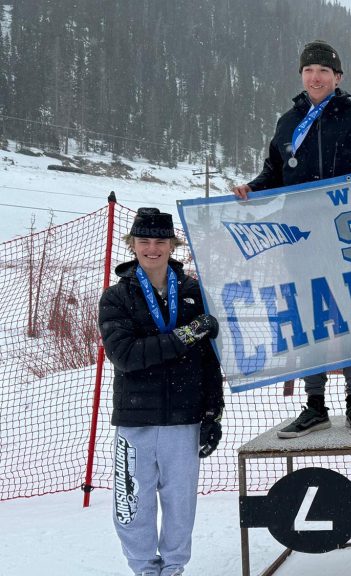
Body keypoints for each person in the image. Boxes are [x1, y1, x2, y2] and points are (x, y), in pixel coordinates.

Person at [232, 40, 351, 438]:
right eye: (309, 70)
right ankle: (314, 406)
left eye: (324, 71)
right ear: (301, 76)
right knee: (308, 319)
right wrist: (251, 190)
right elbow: (273, 174)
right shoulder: (287, 122)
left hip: (347, 237)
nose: (316, 77)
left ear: (338, 78)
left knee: (350, 319)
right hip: (300, 240)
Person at [99, 208, 224, 576]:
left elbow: (208, 361)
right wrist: (185, 335)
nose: (152, 248)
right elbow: (126, 356)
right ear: (133, 245)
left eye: (160, 241)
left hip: (185, 418)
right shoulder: (117, 297)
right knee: (132, 503)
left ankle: (173, 570)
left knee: (180, 505)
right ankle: (144, 570)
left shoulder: (193, 294)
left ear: (173, 245)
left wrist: (212, 413)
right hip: (136, 418)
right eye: (144, 241)